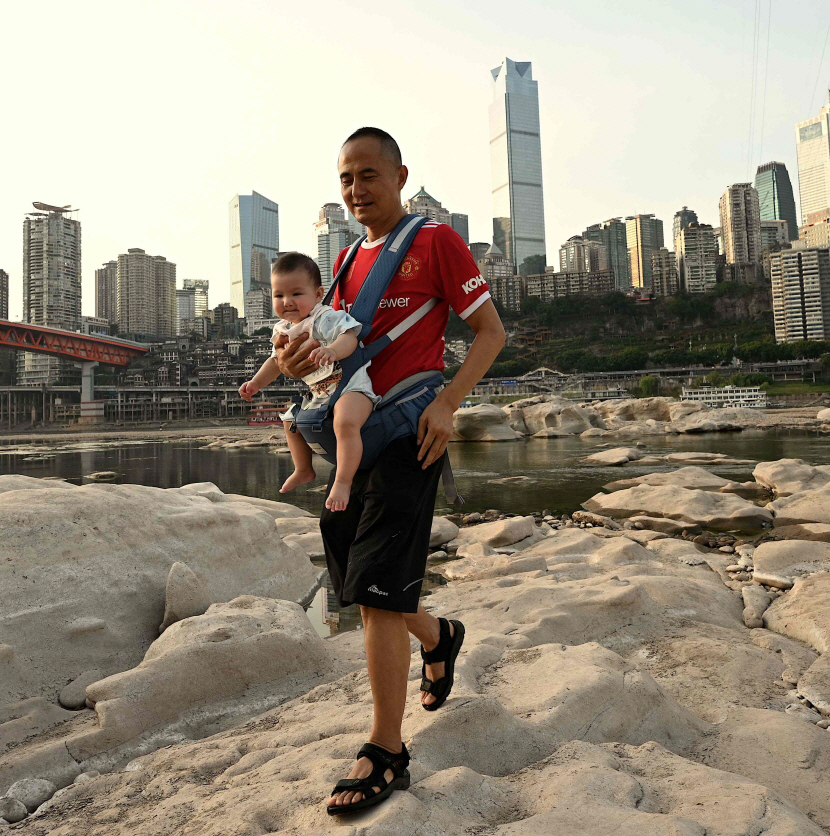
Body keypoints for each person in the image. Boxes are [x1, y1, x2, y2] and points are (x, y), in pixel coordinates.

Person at [273, 127, 505, 815]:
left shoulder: (434, 242)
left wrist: (448, 404)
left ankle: (386, 750)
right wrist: (293, 364)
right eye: (346, 178)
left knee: (374, 588)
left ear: (400, 175)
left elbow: (489, 331)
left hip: (410, 433)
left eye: (368, 175)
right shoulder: (342, 264)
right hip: (353, 437)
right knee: (359, 578)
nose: (356, 189)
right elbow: (331, 351)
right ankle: (440, 636)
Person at [238, 252, 378, 512]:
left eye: (296, 294)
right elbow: (275, 362)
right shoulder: (281, 330)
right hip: (320, 392)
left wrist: (334, 351)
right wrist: (255, 383)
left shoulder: (325, 317)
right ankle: (303, 469)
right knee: (291, 420)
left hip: (351, 386)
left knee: (345, 422)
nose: (287, 302)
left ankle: (343, 481)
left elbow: (350, 336)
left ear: (318, 294)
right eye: (279, 296)